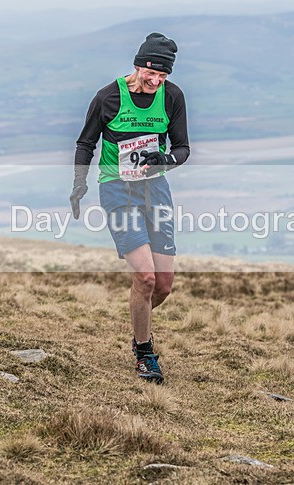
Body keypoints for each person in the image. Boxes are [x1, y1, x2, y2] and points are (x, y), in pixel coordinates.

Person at [70, 32, 190, 384]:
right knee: (146, 277)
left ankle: (138, 318)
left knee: (164, 285)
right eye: (150, 73)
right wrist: (79, 185)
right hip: (117, 190)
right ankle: (144, 351)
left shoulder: (172, 98)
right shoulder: (108, 97)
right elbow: (85, 143)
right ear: (137, 65)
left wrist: (164, 159)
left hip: (156, 190)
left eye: (162, 76)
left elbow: (183, 148)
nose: (155, 82)